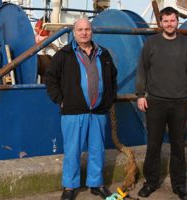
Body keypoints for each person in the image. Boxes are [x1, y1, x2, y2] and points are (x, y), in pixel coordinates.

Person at [45, 18, 117, 200]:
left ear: (92, 31)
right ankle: (69, 187)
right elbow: (50, 79)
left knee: (97, 149)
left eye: (87, 29)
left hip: (98, 112)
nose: (84, 33)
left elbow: (113, 78)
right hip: (73, 113)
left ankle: (96, 184)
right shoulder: (64, 54)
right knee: (72, 150)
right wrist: (61, 101)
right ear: (74, 32)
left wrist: (108, 100)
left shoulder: (104, 54)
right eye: (80, 30)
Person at [135, 7, 187, 200]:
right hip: (155, 101)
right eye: (166, 21)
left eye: (172, 21)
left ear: (177, 21)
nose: (169, 24)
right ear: (161, 23)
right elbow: (142, 70)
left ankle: (179, 185)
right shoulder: (151, 43)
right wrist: (140, 94)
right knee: (153, 145)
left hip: (181, 102)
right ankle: (150, 182)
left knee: (178, 146)